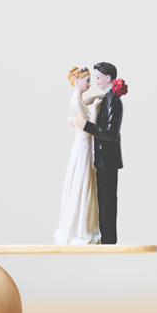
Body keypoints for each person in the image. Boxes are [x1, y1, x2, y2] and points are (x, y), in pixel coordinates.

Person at [54, 66, 103, 245]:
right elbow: (86, 124)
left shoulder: (78, 99)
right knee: (82, 180)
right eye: (87, 80)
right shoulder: (74, 102)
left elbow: (84, 102)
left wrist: (97, 97)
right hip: (83, 145)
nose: (90, 83)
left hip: (85, 143)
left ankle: (85, 225)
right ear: (77, 81)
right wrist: (97, 110)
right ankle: (80, 229)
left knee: (86, 180)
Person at [83, 62, 127, 245]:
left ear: (108, 78)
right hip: (103, 160)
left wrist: (86, 126)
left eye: (99, 77)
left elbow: (110, 134)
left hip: (107, 161)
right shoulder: (107, 98)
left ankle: (109, 240)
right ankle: (106, 238)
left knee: (107, 201)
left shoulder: (113, 101)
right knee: (104, 200)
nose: (96, 81)